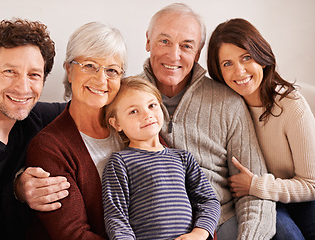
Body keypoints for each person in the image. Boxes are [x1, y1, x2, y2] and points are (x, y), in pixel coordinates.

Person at [138, 3, 276, 240]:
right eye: (164, 41)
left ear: (198, 52)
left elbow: (254, 192)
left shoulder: (228, 102)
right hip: (154, 225)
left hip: (221, 221)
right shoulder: (124, 98)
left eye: (186, 45)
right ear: (148, 40)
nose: (174, 55)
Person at [0, 18, 69, 240]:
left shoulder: (33, 118)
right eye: (10, 71)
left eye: (34, 75)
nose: (23, 88)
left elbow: (90, 106)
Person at [207, 18, 315, 240]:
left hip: (302, 197)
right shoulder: (223, 109)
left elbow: (312, 184)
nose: (240, 71)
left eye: (246, 57)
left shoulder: (291, 104)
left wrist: (256, 185)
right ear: (218, 71)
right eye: (227, 63)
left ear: (262, 58)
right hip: (266, 202)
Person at [25, 21, 127, 240]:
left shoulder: (131, 125)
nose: (101, 79)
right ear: (69, 70)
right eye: (90, 65)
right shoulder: (49, 147)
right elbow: (73, 234)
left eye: (111, 70)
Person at [102, 76, 220, 240]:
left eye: (152, 105)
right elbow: (116, 216)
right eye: (133, 111)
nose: (147, 115)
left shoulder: (183, 158)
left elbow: (208, 201)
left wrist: (199, 233)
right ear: (116, 124)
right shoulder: (120, 162)